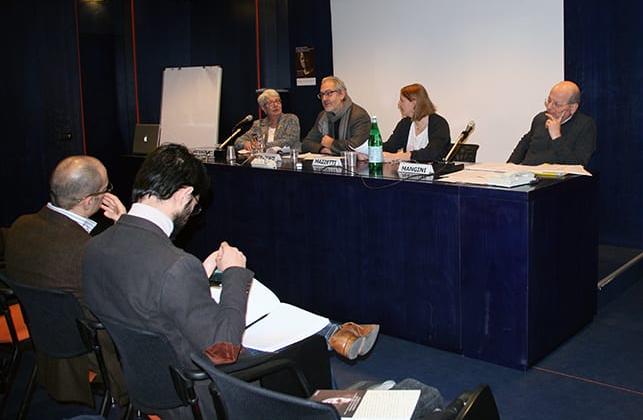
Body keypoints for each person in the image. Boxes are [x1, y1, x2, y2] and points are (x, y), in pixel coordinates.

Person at [81, 144, 379, 418]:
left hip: (148, 386)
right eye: (194, 204)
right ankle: (334, 408)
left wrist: (198, 277)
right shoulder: (176, 267)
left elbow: (147, 304)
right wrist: (235, 273)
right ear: (184, 194)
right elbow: (224, 352)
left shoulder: (95, 248)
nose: (192, 212)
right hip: (202, 397)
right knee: (307, 349)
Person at [4, 155, 129, 408]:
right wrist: (125, 226)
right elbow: (130, 290)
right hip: (91, 354)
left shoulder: (20, 227)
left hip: (45, 336)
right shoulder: (89, 252)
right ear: (88, 201)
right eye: (106, 188)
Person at [507, 80, 596, 167]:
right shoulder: (541, 118)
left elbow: (577, 164)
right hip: (529, 173)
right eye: (549, 101)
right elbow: (524, 145)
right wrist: (509, 166)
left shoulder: (585, 125)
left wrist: (556, 137)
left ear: (573, 108)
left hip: (558, 176)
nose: (549, 107)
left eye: (557, 104)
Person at [382, 83, 451, 163]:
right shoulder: (405, 124)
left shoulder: (439, 124)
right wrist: (372, 149)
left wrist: (398, 156)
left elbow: (432, 153)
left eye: (402, 100)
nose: (399, 104)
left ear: (413, 103)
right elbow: (390, 147)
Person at [302, 76, 371, 155]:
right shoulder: (322, 117)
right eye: (322, 94)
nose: (324, 99)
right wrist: (322, 149)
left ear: (342, 94)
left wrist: (331, 144)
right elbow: (306, 143)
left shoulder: (358, 116)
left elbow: (357, 147)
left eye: (329, 93)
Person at [234, 89, 301, 151]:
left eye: (277, 101)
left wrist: (261, 146)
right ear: (263, 108)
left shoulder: (291, 119)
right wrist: (245, 143)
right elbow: (238, 142)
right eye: (270, 102)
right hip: (264, 159)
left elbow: (287, 141)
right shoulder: (258, 124)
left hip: (288, 158)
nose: (275, 105)